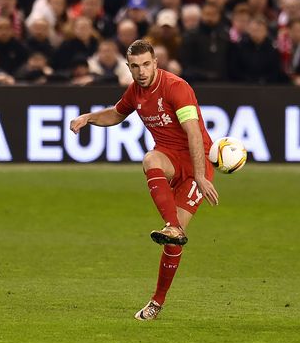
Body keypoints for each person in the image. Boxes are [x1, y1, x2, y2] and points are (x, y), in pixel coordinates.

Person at [69, 39, 219, 321]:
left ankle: (157, 303)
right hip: (169, 159)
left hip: (194, 164)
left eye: (146, 64)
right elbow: (116, 113)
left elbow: (194, 133)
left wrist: (200, 175)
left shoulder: (176, 87)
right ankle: (172, 226)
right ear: (128, 67)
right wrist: (88, 117)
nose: (141, 71)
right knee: (151, 159)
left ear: (155, 63)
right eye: (135, 66)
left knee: (172, 245)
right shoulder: (135, 91)